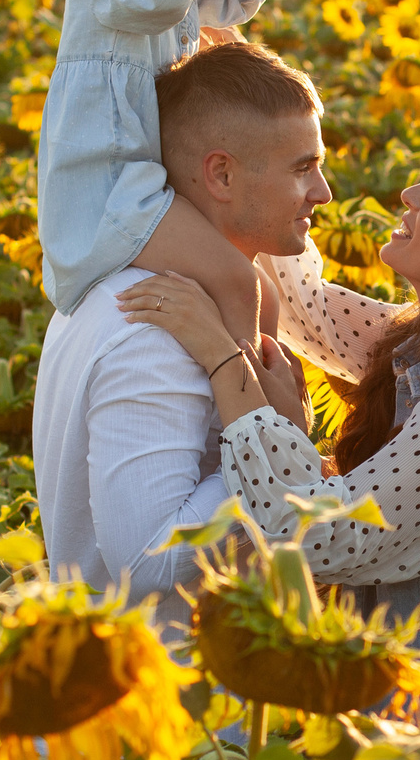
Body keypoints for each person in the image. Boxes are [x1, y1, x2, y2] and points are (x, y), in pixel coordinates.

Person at [117, 136, 420, 671]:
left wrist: (219, 355)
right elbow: (308, 311)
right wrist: (248, 82)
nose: (409, 193)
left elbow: (319, 536)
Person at [29, 41, 331, 624]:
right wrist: (282, 443)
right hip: (178, 684)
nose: (323, 193)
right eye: (303, 169)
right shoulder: (156, 331)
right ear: (220, 173)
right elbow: (149, 558)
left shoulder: (134, 286)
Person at [42, 0, 323, 355]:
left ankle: (260, 409)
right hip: (109, 193)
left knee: (265, 297)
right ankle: (243, 413)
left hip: (152, 186)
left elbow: (228, 0)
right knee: (240, 285)